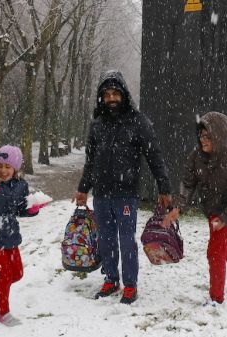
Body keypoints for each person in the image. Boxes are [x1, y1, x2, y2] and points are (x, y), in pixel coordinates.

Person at [73, 69, 172, 305]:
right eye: (106, 94)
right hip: (102, 196)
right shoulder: (96, 125)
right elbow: (90, 161)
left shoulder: (139, 122)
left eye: (115, 93)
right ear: (101, 97)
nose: (111, 99)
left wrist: (164, 188)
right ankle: (110, 279)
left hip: (126, 195)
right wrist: (83, 188)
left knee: (127, 240)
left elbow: (155, 157)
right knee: (106, 240)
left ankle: (130, 285)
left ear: (123, 94)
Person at [163, 112, 227, 306]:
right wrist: (178, 207)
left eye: (208, 136)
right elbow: (188, 184)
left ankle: (216, 300)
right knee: (223, 246)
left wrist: (225, 217)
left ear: (219, 137)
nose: (203, 140)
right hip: (212, 210)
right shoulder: (196, 157)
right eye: (201, 135)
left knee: (215, 252)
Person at [0, 145, 46, 326]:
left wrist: (32, 209)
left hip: (10, 232)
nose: (2, 170)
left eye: (7, 166)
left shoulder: (21, 185)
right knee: (6, 273)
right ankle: (3, 313)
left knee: (17, 273)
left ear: (16, 168)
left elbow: (19, 209)